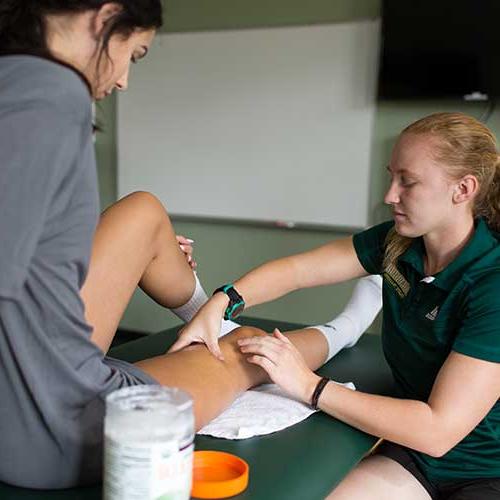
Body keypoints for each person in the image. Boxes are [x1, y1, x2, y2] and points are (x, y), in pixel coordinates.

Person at [0, 0, 385, 490]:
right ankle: (345, 329)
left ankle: (210, 317)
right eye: (134, 55)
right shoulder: (53, 94)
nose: (122, 81)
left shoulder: (12, 79)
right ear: (106, 16)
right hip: (52, 429)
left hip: (31, 369)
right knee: (250, 351)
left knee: (141, 212)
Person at [177, 112, 500, 499]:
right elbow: (298, 270)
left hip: (482, 467)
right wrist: (223, 301)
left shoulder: (491, 285)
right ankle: (346, 328)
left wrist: (306, 384)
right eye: (391, 175)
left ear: (463, 189)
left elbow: (438, 431)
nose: (389, 195)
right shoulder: (398, 243)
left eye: (407, 182)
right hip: (415, 454)